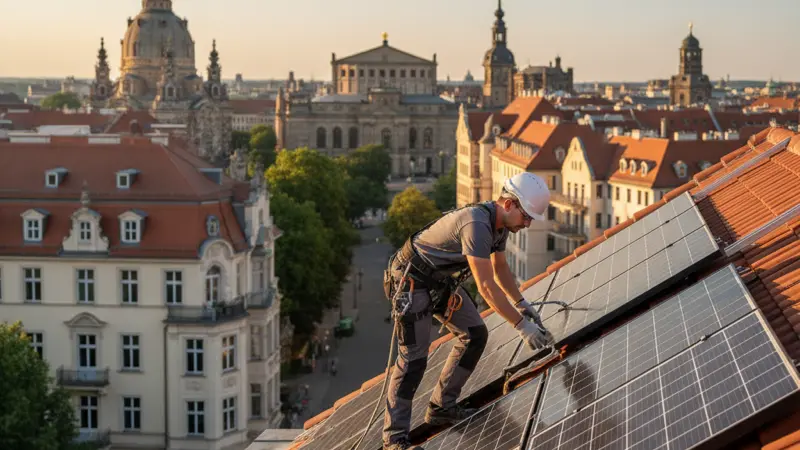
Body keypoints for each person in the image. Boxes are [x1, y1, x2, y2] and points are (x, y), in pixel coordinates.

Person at [380, 173, 555, 450]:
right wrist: (521, 325)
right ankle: (394, 439)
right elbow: (486, 285)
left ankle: (441, 407)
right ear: (509, 204)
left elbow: (500, 270)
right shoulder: (477, 224)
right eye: (527, 216)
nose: (528, 223)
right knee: (413, 358)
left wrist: (521, 303)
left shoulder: (498, 227)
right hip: (411, 282)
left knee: (475, 334)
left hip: (437, 282)